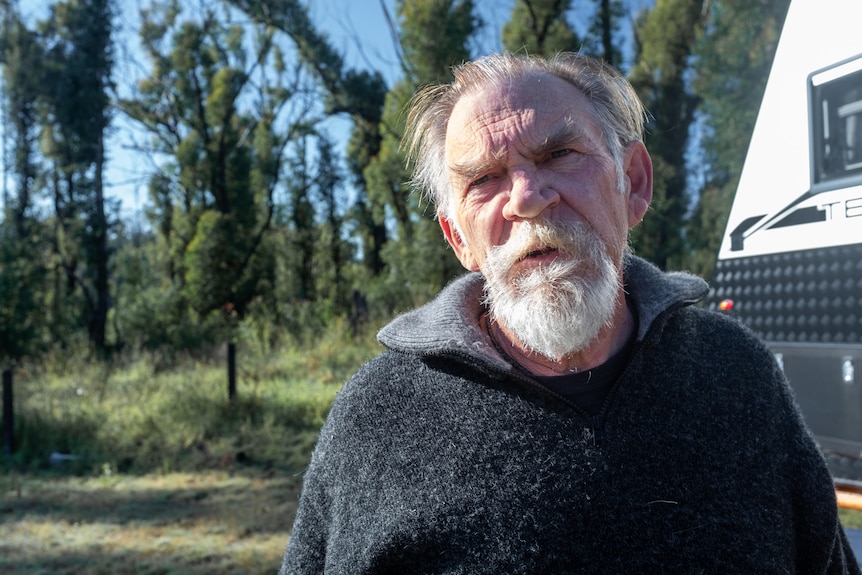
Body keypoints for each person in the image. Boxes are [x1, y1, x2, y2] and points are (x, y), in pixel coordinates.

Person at [279, 52, 860, 574]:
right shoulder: (379, 416)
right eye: (483, 179)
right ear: (459, 238)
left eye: (559, 154)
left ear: (632, 182)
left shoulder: (738, 371)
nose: (527, 197)